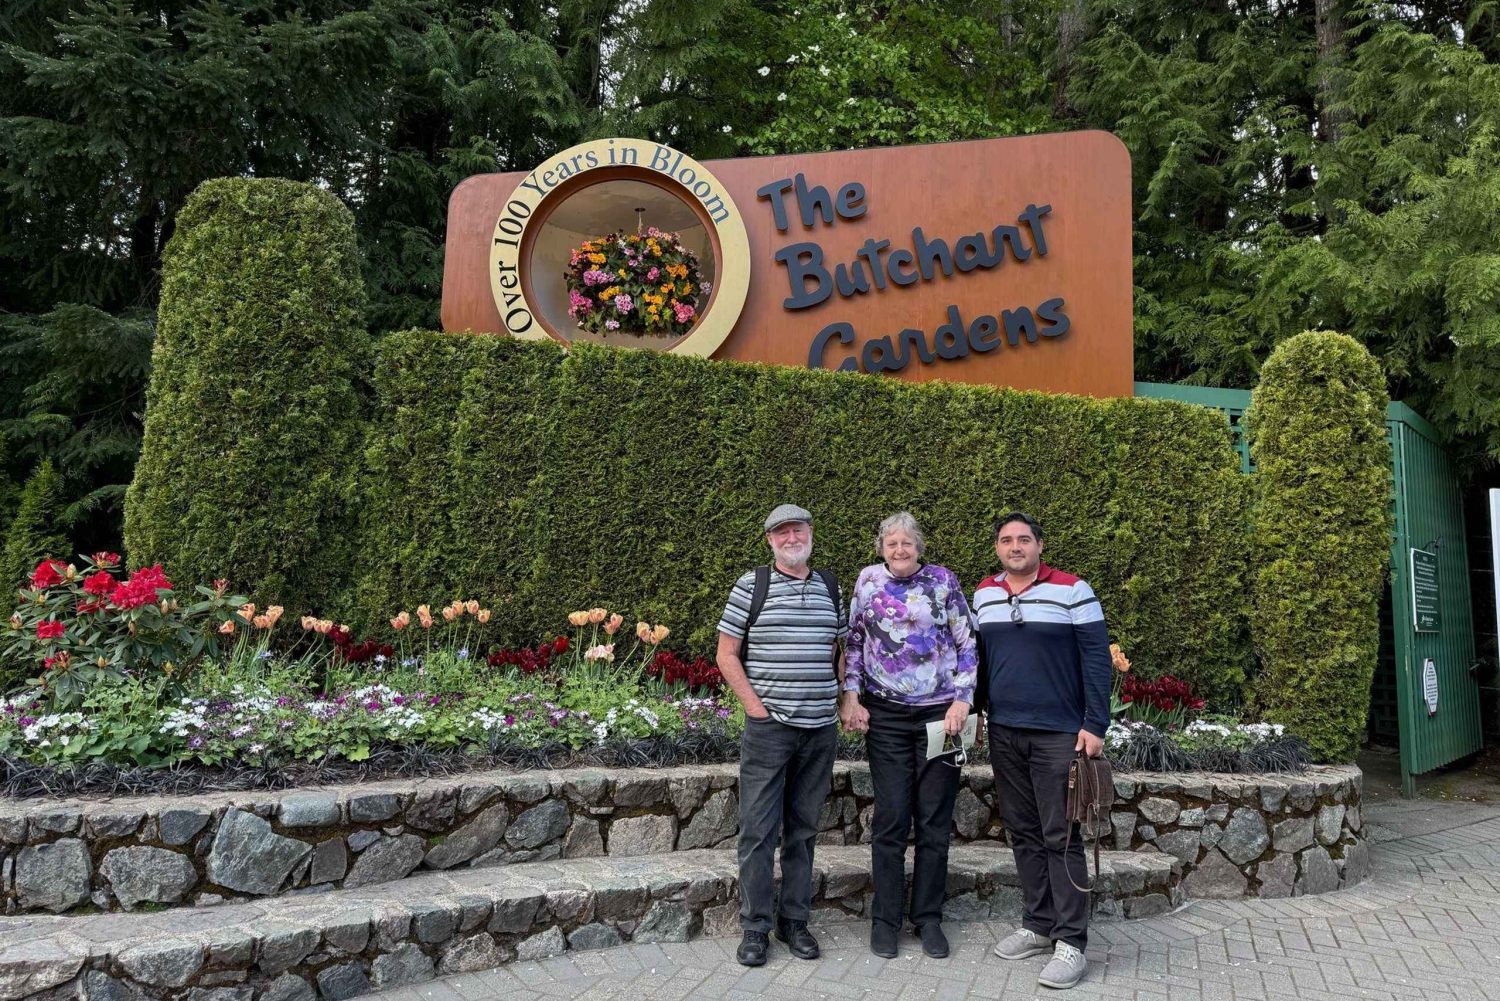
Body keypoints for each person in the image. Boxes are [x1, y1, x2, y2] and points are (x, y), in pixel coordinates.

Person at [972, 512, 1111, 991]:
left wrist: (1095, 724)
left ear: (1039, 546)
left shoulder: (1074, 590)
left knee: (1062, 836)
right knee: (1024, 833)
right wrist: (974, 712)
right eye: (1007, 540)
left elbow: (1097, 660)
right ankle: (1038, 923)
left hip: (1060, 735)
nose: (1015, 547)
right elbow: (980, 663)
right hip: (1005, 732)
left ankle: (1071, 942)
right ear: (997, 548)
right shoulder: (984, 595)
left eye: (1024, 539)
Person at [840, 512, 977, 961]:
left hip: (944, 718)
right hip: (887, 716)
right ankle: (885, 920)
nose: (899, 550)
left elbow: (967, 642)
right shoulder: (867, 581)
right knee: (892, 817)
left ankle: (928, 918)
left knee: (936, 819)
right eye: (892, 543)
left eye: (907, 543)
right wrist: (852, 696)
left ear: (920, 547)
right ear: (881, 547)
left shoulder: (943, 581)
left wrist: (963, 700)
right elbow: (855, 643)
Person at [716, 504, 848, 968]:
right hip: (770, 730)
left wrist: (845, 698)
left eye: (798, 529)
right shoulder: (752, 586)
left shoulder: (832, 587)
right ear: (770, 540)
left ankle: (795, 922)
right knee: (757, 831)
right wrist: (756, 709)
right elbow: (726, 654)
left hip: (819, 729)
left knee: (804, 830)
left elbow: (841, 650)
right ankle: (755, 929)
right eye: (782, 532)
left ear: (811, 533)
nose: (792, 537)